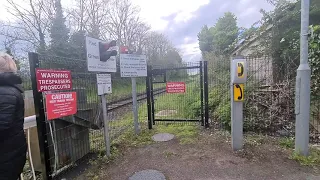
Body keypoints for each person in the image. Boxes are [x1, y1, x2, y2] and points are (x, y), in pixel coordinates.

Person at [0, 52, 27, 180]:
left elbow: (2, 125)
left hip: (6, 157)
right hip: (11, 153)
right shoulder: (10, 89)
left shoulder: (4, 92)